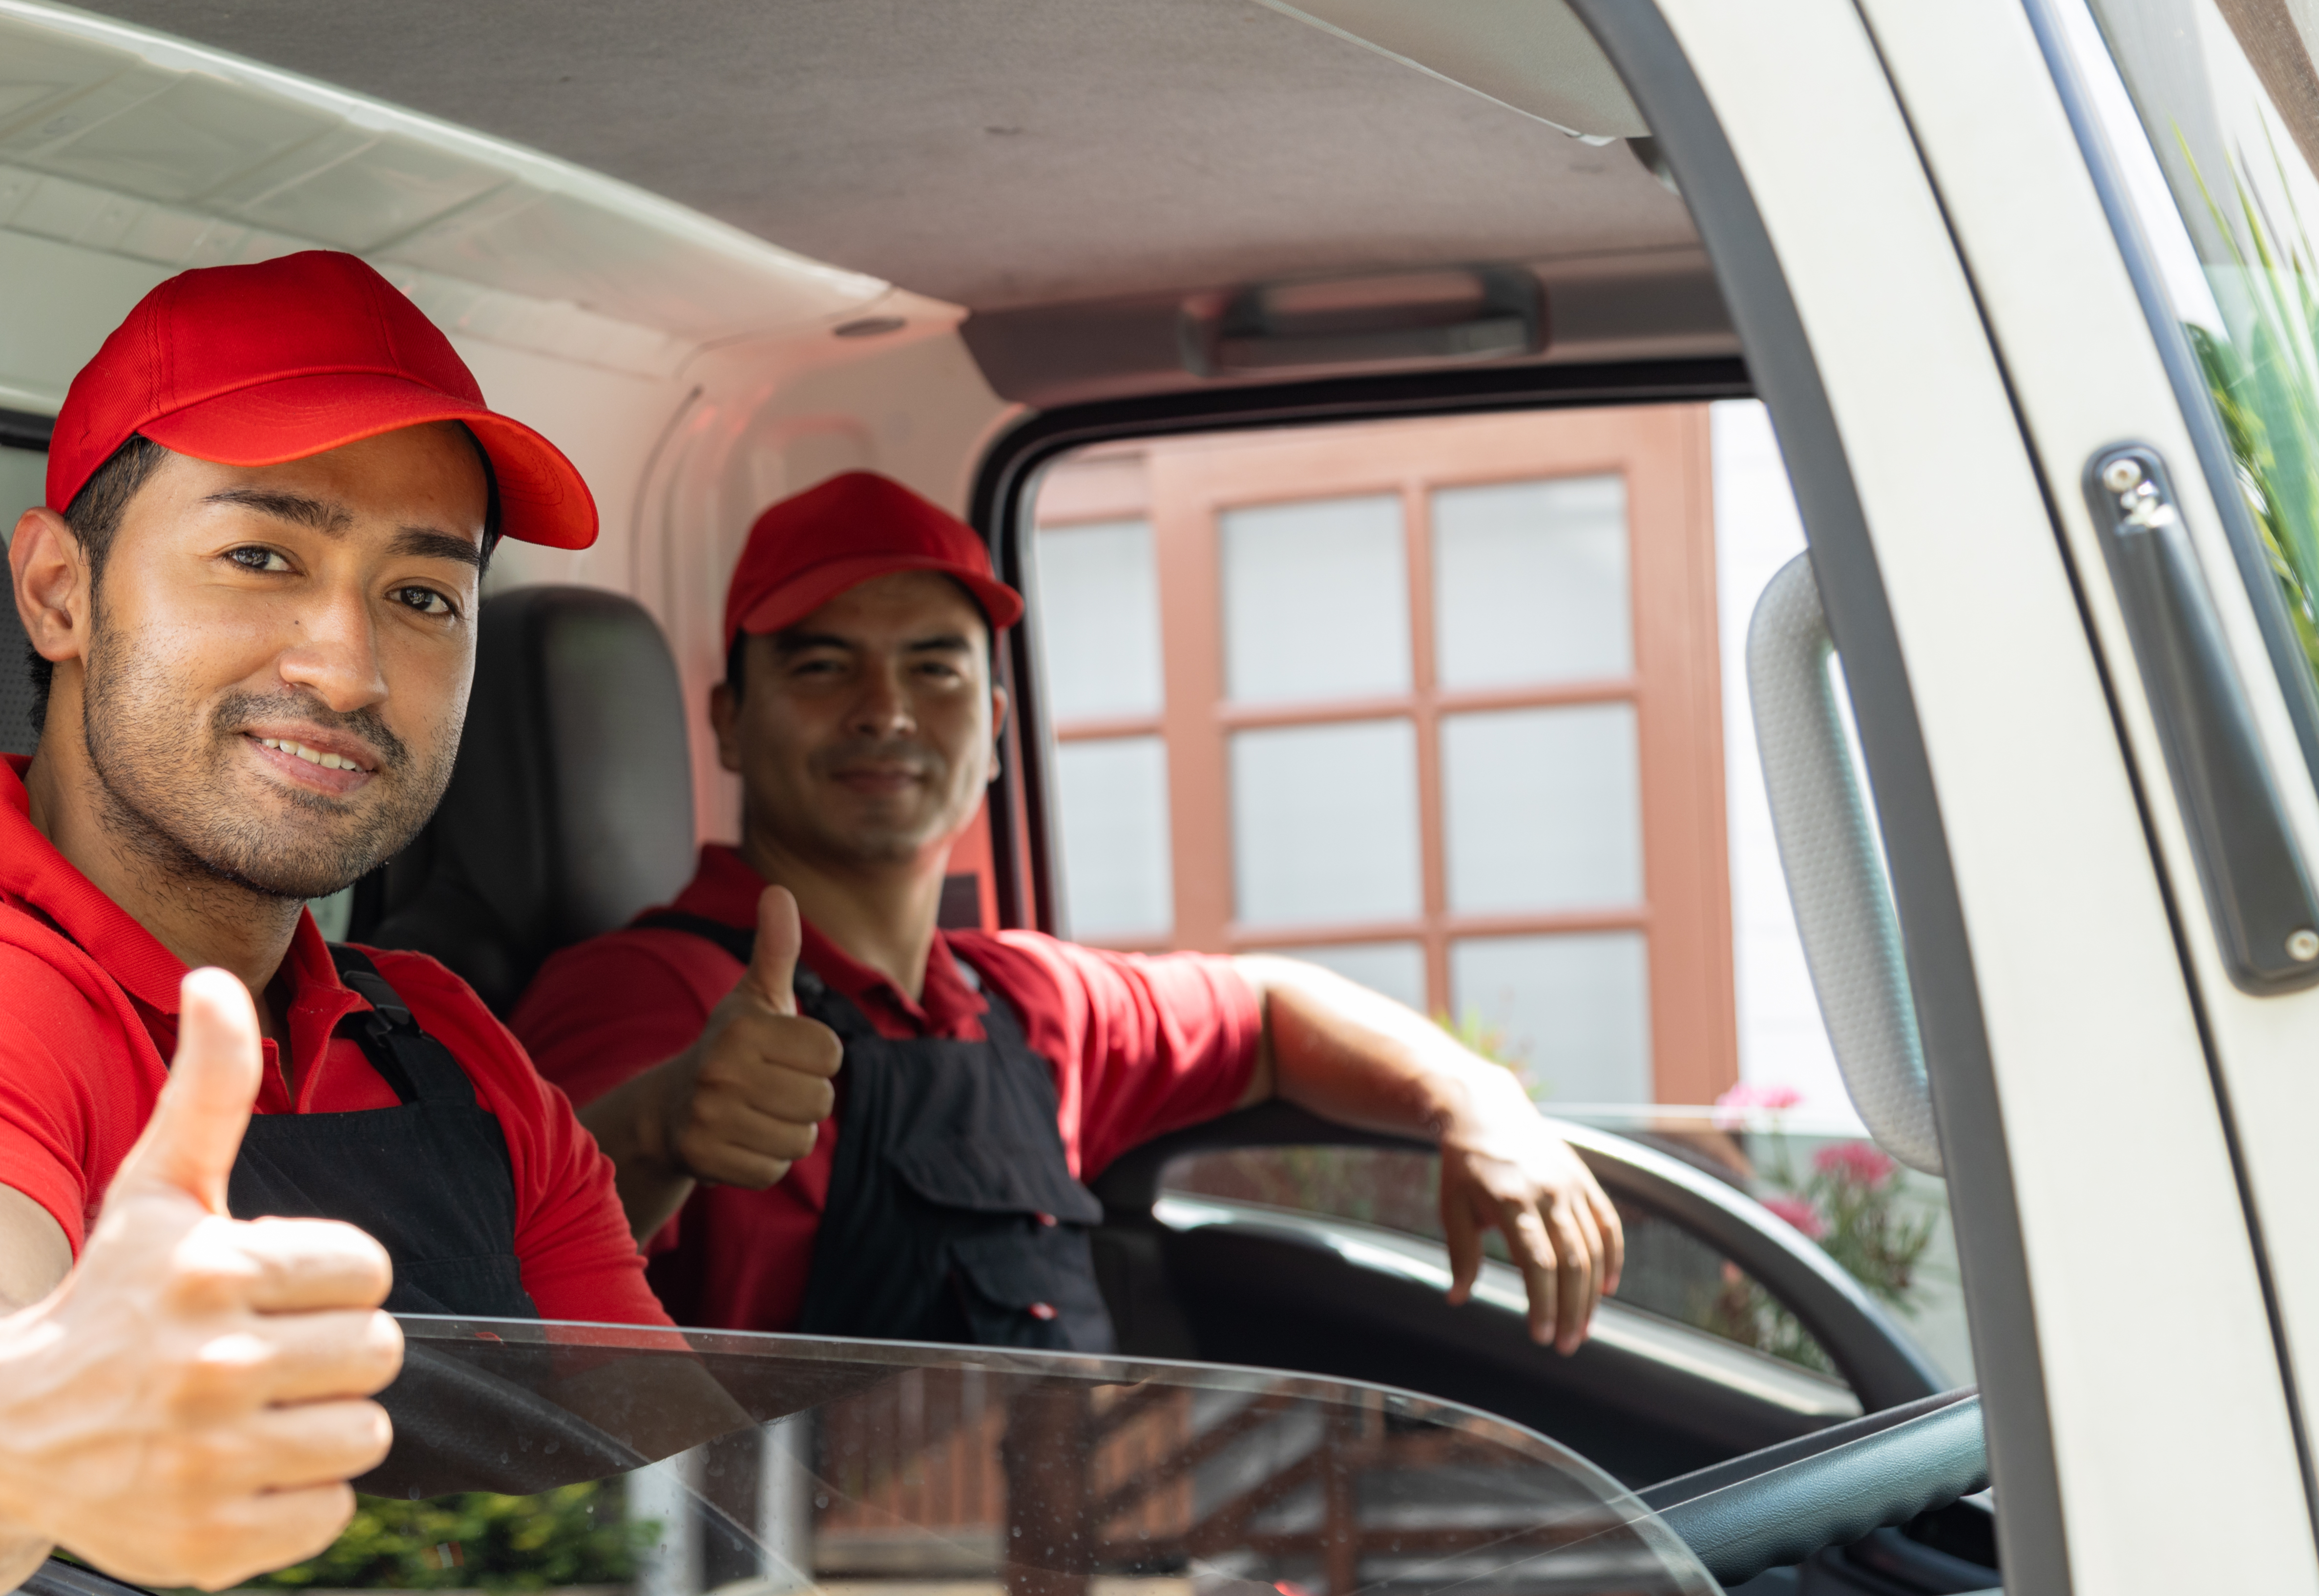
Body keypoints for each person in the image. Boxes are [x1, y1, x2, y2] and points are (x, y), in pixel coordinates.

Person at [0, 251, 666, 1596]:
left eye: (421, 596)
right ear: (58, 594)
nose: (346, 666)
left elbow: (679, 1494)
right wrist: (4, 1424)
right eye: (260, 557)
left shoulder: (454, 1050)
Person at [512, 471, 1623, 1355]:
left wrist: (1476, 1102)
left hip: (1074, 1585)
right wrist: (656, 1131)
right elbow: (506, 1312)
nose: (885, 710)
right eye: (820, 665)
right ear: (728, 721)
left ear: (993, 724)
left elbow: (1267, 1008)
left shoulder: (1025, 998)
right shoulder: (649, 992)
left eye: (933, 669)